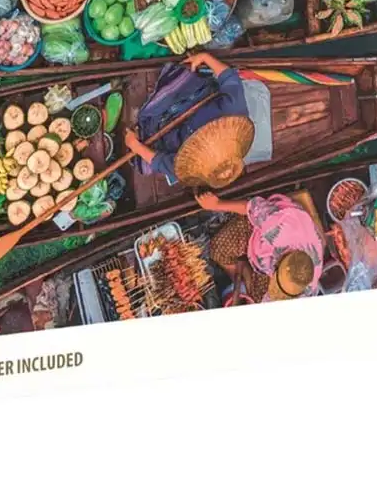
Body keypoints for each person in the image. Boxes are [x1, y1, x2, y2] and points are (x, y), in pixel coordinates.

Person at [124, 51, 253, 187]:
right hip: (195, 99)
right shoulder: (234, 113)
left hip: (172, 135)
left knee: (146, 163)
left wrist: (136, 146)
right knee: (180, 81)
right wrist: (204, 57)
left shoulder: (190, 166)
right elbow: (229, 77)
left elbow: (161, 162)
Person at [199, 191, 325, 302]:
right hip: (262, 226)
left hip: (271, 259)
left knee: (258, 298)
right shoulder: (279, 230)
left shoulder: (306, 283)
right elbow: (250, 207)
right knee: (218, 248)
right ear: (278, 264)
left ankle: (244, 273)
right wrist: (216, 204)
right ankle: (240, 272)